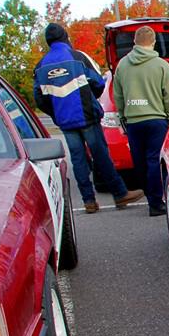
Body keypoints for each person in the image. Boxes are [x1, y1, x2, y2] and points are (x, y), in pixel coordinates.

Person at [33, 23, 144, 214]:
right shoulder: (78, 57)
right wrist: (90, 100)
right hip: (87, 116)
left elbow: (40, 98)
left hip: (66, 122)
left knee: (78, 160)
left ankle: (89, 201)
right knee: (101, 156)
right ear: (65, 38)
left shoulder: (41, 66)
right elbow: (98, 82)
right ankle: (119, 194)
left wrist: (57, 114)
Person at [113, 26, 169, 216]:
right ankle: (156, 203)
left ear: (134, 41)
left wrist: (123, 116)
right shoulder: (161, 65)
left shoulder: (123, 65)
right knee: (154, 161)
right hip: (156, 120)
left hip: (133, 121)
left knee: (139, 162)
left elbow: (118, 95)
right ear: (153, 42)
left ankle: (149, 196)